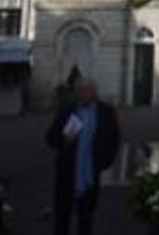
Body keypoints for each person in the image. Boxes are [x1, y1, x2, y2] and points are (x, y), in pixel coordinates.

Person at [46, 77, 120, 235]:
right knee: (62, 217)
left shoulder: (105, 112)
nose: (84, 94)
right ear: (76, 93)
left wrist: (103, 163)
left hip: (90, 176)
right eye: (80, 90)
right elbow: (51, 139)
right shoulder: (67, 110)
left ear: (94, 92)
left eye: (88, 90)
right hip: (67, 173)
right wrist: (63, 138)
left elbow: (113, 139)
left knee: (86, 218)